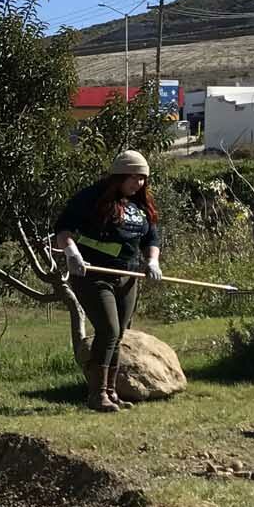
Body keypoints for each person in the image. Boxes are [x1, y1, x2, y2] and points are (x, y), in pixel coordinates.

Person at [54, 149, 163, 413]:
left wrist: (152, 261)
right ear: (119, 176)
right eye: (133, 177)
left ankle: (111, 392)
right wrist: (72, 254)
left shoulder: (140, 204)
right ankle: (96, 393)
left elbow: (151, 239)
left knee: (119, 334)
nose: (138, 183)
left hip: (127, 277)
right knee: (108, 330)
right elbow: (63, 228)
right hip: (92, 274)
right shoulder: (91, 198)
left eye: (142, 179)